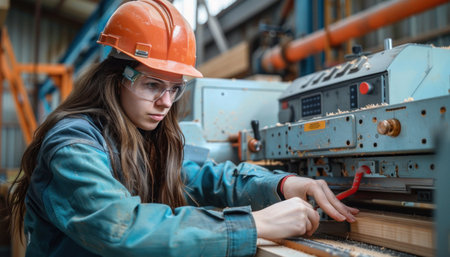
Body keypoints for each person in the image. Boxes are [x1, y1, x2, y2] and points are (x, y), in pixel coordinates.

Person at [7, 0, 358, 256]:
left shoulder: (143, 138)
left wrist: (281, 183)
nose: (165, 102)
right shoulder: (73, 145)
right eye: (152, 85)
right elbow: (120, 228)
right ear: (115, 80)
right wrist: (255, 225)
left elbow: (205, 175)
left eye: (175, 88)